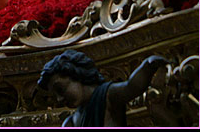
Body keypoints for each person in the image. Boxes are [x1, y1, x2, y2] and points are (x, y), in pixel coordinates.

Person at [36, 49, 168, 127]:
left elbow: (131, 87)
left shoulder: (107, 95)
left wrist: (148, 66)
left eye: (60, 89)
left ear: (77, 74)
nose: (59, 99)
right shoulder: (71, 122)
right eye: (55, 96)